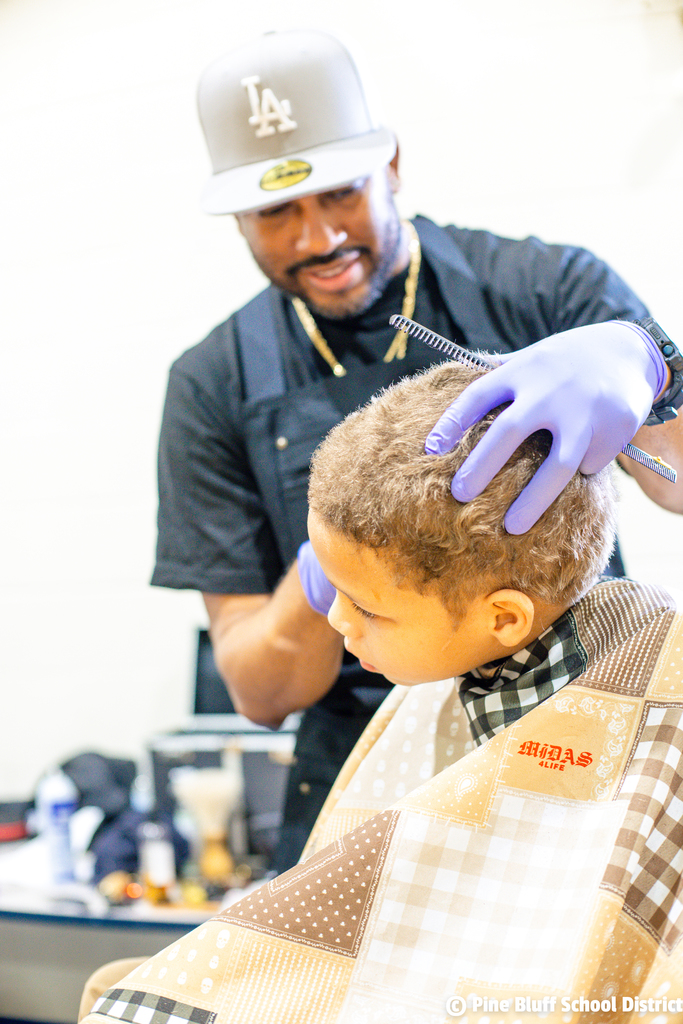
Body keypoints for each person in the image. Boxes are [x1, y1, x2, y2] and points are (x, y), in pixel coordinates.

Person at [152, 27, 683, 872]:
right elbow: (260, 690)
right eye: (275, 213)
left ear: (390, 165)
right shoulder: (213, 383)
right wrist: (334, 565)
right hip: (361, 777)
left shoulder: (540, 287)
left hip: (581, 730)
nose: (317, 237)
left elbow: (675, 481)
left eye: (340, 194)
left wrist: (652, 365)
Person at [82, 361, 683, 1022]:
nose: (334, 619)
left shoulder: (654, 688)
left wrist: (648, 354)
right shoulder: (448, 683)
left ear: (504, 620)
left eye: (365, 607)